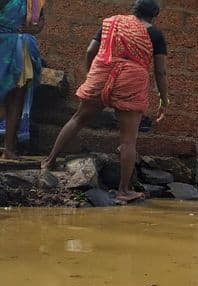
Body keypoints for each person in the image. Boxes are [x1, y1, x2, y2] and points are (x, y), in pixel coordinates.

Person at [41, 0, 168, 202]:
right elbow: (160, 71)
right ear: (154, 15)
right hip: (132, 80)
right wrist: (164, 99)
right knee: (128, 140)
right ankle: (123, 191)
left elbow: (90, 51)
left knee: (78, 119)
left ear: (133, 10)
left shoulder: (113, 23)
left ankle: (48, 161)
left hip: (103, 72)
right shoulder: (156, 34)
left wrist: (91, 72)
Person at [0, 0, 45, 160]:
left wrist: (32, 29)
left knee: (17, 98)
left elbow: (40, 22)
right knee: (8, 100)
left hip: (22, 48)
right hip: (4, 46)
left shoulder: (33, 1)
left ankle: (9, 149)